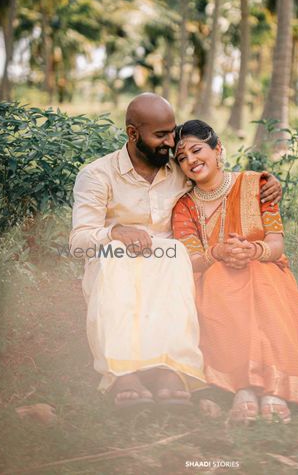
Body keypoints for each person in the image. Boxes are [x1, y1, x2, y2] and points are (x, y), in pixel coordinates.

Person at [69, 94, 282, 411]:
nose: (171, 142)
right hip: (116, 268)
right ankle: (123, 374)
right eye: (161, 135)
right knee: (118, 256)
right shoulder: (98, 175)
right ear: (133, 134)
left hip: (167, 268)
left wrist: (264, 182)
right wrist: (116, 233)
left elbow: (215, 174)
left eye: (172, 132)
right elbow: (78, 241)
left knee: (174, 254)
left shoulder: (178, 169)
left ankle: (171, 370)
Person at [172, 119, 298, 424]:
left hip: (263, 268)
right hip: (213, 275)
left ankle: (274, 389)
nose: (190, 160)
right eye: (182, 157)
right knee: (220, 282)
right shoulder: (184, 206)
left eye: (197, 150)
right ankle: (243, 388)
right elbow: (191, 259)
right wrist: (218, 253)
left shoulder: (256, 186)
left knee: (262, 278)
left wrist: (253, 251)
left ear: (218, 149)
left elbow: (276, 244)